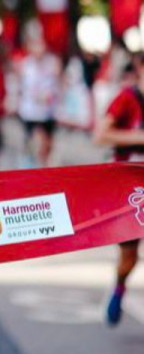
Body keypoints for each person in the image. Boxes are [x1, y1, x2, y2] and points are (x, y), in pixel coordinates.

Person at [93, 56, 144, 327]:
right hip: (129, 189)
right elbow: (100, 135)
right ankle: (119, 287)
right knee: (129, 256)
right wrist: (138, 138)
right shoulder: (127, 98)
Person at [16, 21, 62, 168]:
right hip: (32, 113)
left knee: (48, 146)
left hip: (48, 112)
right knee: (39, 144)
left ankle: (43, 169)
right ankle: (39, 170)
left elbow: (58, 85)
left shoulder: (53, 62)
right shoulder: (25, 65)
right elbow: (21, 88)